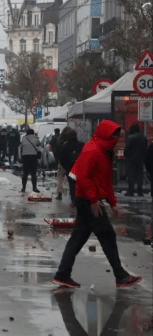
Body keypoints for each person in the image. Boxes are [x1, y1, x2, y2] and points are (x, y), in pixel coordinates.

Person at [52, 120, 142, 289]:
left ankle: (62, 274)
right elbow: (83, 178)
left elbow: (105, 181)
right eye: (117, 137)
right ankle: (120, 276)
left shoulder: (105, 152)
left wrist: (113, 203)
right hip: (87, 200)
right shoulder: (93, 150)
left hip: (89, 199)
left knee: (79, 237)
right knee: (106, 235)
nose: (119, 141)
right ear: (109, 136)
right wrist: (94, 200)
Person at [57, 127, 84, 207]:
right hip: (80, 169)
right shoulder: (81, 145)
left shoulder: (66, 146)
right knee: (81, 184)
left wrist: (66, 167)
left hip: (70, 169)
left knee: (72, 185)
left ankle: (73, 200)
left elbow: (61, 158)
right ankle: (81, 199)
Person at [123, 124, 147, 197]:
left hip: (131, 159)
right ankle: (140, 191)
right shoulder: (143, 138)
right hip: (140, 160)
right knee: (140, 175)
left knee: (131, 176)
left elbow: (127, 149)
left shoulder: (130, 137)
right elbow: (145, 149)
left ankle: (131, 191)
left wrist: (125, 155)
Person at [20, 128, 40, 193]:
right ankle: (34, 188)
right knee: (33, 173)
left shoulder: (24, 138)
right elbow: (39, 145)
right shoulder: (36, 139)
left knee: (25, 173)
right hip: (33, 157)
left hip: (25, 157)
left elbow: (22, 145)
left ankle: (23, 188)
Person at [50, 128, 65, 200]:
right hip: (70, 164)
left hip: (61, 161)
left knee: (60, 179)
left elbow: (51, 144)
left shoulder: (55, 138)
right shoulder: (63, 139)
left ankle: (59, 194)